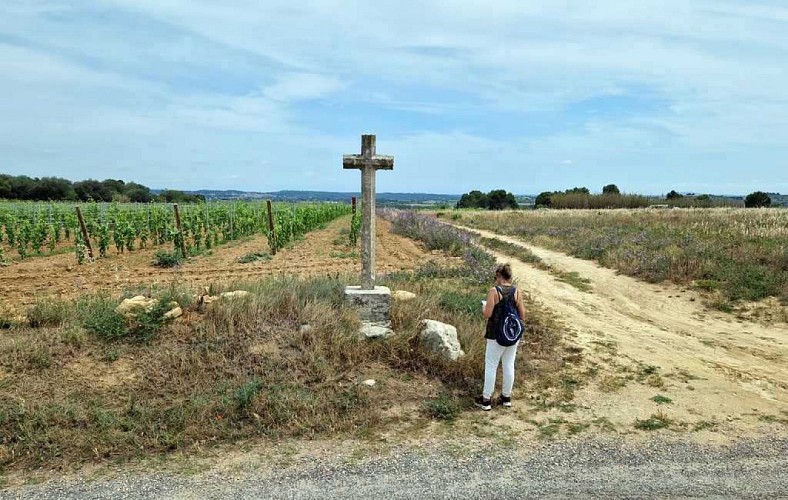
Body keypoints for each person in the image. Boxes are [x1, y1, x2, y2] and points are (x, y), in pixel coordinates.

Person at [475, 263, 525, 411]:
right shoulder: (517, 292)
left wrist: (484, 308)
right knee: (509, 364)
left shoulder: (494, 291)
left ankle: (486, 400)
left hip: (495, 334)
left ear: (499, 276)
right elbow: (523, 315)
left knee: (491, 365)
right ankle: (506, 397)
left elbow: (487, 314)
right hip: (512, 334)